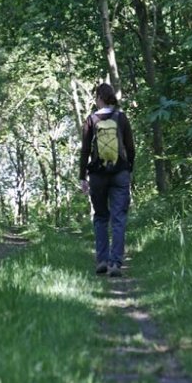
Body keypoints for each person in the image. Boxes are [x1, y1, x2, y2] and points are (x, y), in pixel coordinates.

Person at [79, 83, 135, 277]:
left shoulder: (91, 120)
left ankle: (102, 260)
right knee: (119, 218)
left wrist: (82, 177)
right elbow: (130, 147)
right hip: (120, 172)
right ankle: (115, 264)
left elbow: (85, 150)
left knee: (101, 217)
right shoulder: (121, 118)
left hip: (97, 175)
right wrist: (129, 169)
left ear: (99, 98)